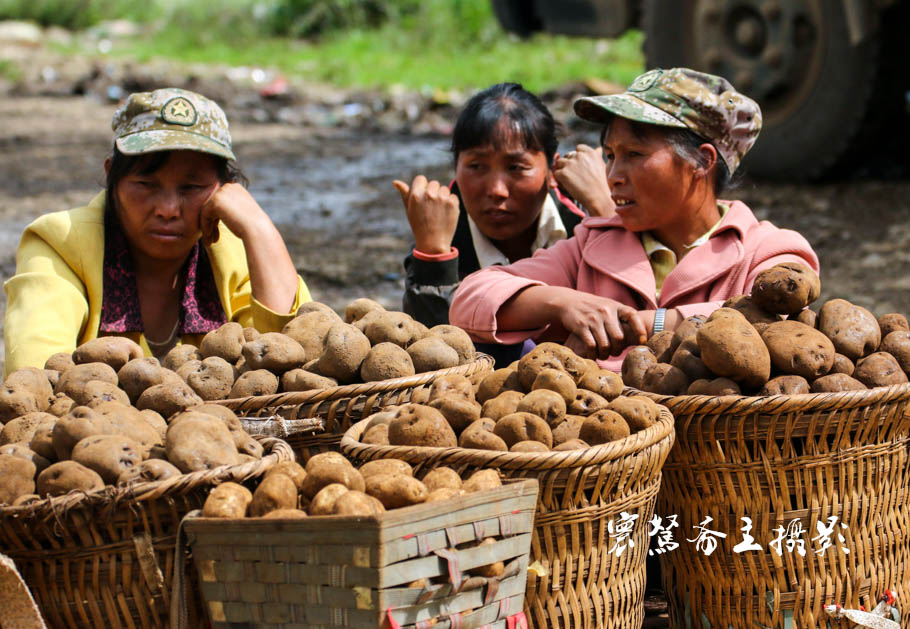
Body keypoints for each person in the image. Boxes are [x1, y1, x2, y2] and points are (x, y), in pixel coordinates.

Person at [449, 67, 820, 370]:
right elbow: (470, 299)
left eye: (634, 154)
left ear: (702, 161)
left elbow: (780, 320)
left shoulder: (767, 249)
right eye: (610, 155)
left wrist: (649, 324)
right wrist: (562, 303)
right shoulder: (592, 243)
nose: (612, 175)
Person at [3, 87, 309, 375]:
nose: (168, 209)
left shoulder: (235, 248)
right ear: (113, 179)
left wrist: (259, 229)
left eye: (192, 187)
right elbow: (35, 375)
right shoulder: (60, 242)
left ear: (223, 189)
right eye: (146, 185)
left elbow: (294, 357)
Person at [395, 82, 613, 365]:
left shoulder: (584, 218)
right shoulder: (443, 232)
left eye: (516, 168)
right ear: (456, 169)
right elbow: (431, 353)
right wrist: (433, 256)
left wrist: (608, 215)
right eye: (476, 167)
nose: (497, 189)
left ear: (552, 171)